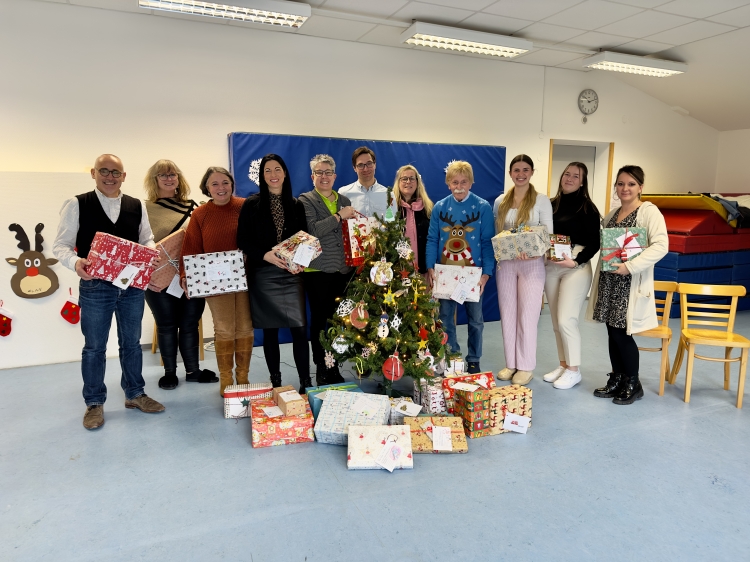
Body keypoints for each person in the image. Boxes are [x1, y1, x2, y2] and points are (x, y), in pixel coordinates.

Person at [52, 154, 165, 430]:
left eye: (116, 172)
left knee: (131, 343)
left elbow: (146, 238)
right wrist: (76, 263)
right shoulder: (77, 204)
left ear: (124, 176)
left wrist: (151, 252)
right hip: (95, 286)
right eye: (104, 170)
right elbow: (61, 246)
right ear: (93, 173)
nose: (110, 176)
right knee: (94, 348)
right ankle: (94, 402)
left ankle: (135, 394)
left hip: (131, 287)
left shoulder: (136, 205)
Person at [586, 165, 668, 405]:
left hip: (629, 282)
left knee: (623, 334)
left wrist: (631, 266)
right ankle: (618, 378)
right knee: (612, 332)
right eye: (621, 184)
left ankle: (633, 383)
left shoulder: (648, 212)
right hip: (610, 280)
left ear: (640, 187)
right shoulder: (612, 215)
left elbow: (661, 245)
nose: (625, 188)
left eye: (631, 184)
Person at [237, 154, 311, 393]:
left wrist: (299, 259)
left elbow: (304, 240)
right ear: (262, 176)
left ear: (285, 173)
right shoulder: (252, 204)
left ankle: (306, 383)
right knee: (270, 330)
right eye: (267, 171)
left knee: (300, 329)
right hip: (263, 274)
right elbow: (243, 240)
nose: (273, 174)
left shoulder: (296, 204)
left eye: (277, 169)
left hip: (291, 275)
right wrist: (265, 255)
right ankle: (276, 382)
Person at [143, 159, 217, 390]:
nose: (168, 178)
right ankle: (169, 373)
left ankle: (193, 371)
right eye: (163, 175)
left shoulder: (194, 207)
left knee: (189, 324)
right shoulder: (144, 209)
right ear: (154, 180)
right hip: (158, 278)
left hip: (191, 276)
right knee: (166, 325)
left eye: (172, 174)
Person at [180, 167, 249, 397]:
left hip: (247, 278)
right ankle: (227, 379)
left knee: (245, 327)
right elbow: (190, 248)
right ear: (207, 188)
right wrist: (184, 276)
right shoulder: (200, 214)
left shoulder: (245, 207)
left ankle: (243, 376)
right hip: (215, 282)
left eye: (225, 182)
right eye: (215, 184)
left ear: (232, 184)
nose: (221, 188)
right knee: (224, 329)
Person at [425, 160, 495, 374]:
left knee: (475, 320)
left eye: (464, 181)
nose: (459, 185)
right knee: (445, 317)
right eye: (455, 181)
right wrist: (430, 267)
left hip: (473, 274)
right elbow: (432, 239)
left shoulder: (483, 207)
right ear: (448, 183)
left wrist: (487, 273)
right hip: (445, 272)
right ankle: (451, 354)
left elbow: (486, 242)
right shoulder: (440, 207)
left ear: (471, 183)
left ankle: (474, 358)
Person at [494, 154, 553, 385]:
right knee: (508, 313)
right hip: (506, 263)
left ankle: (526, 366)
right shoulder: (501, 201)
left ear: (531, 172)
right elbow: (497, 233)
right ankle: (511, 363)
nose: (521, 174)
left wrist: (531, 249)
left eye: (525, 169)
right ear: (510, 173)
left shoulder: (541, 200)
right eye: (516, 170)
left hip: (532, 263)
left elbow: (547, 233)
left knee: (528, 315)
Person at [299, 154, 357, 385]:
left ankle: (334, 365)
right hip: (318, 272)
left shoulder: (344, 199)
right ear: (312, 176)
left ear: (335, 176)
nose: (324, 177)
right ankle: (321, 366)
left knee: (338, 323)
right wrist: (338, 216)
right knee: (320, 322)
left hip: (343, 272)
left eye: (328, 172)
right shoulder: (305, 200)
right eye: (319, 173)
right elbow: (311, 229)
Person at [543, 162, 601, 390]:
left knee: (567, 319)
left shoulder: (588, 208)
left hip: (575, 264)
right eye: (567, 174)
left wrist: (576, 261)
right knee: (556, 322)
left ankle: (574, 370)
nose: (569, 178)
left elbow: (595, 243)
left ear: (582, 181)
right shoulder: (551, 204)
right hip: (551, 263)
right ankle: (564, 364)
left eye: (575, 176)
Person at [393, 164, 433, 274]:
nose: (408, 181)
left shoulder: (428, 208)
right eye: (404, 178)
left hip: (423, 270)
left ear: (417, 182)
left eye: (412, 178)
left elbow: (433, 240)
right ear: (398, 182)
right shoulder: (391, 208)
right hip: (398, 272)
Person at [338, 146, 394, 219]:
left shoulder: (388, 195)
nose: (365, 169)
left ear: (375, 165)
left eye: (369, 163)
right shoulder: (343, 193)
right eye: (360, 165)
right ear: (354, 168)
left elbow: (393, 226)